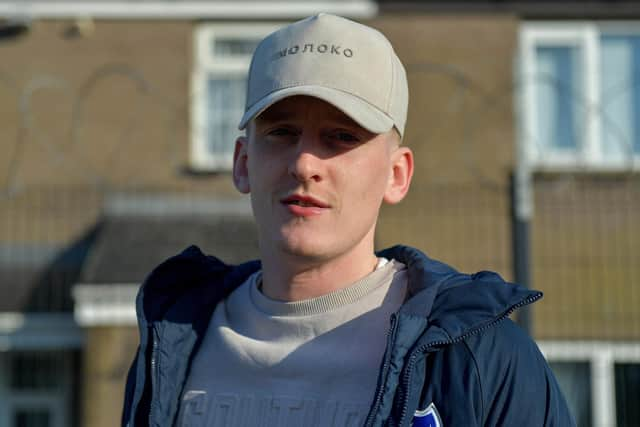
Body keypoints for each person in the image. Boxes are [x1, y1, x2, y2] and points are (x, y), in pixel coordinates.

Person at [121, 13, 575, 427]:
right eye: (282, 133)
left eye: (341, 137)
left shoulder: (476, 358)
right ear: (243, 162)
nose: (304, 165)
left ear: (396, 175)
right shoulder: (171, 349)